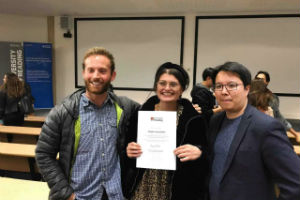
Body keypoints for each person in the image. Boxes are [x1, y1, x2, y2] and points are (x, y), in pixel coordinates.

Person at [35, 47, 140, 200]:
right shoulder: (63, 112)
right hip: (80, 195)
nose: (96, 76)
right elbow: (43, 154)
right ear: (84, 73)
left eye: (102, 71)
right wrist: (67, 194)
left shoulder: (126, 107)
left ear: (113, 75)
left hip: (115, 194)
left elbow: (156, 114)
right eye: (91, 70)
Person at [208, 62, 300, 200]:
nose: (224, 91)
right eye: (219, 86)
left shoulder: (266, 127)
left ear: (247, 89)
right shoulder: (216, 120)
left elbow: (295, 183)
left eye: (232, 85)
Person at [124, 62, 208, 200]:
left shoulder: (193, 120)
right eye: (162, 83)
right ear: (156, 86)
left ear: (182, 88)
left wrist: (199, 152)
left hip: (176, 189)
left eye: (173, 84)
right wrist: (129, 150)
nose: (167, 88)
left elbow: (206, 152)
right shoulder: (141, 114)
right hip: (142, 186)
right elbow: (127, 147)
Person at [255, 71, 300, 142]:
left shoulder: (272, 98)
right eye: (257, 78)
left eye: (262, 79)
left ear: (267, 82)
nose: (259, 81)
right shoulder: (247, 95)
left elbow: (278, 116)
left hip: (267, 131)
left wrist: (295, 133)